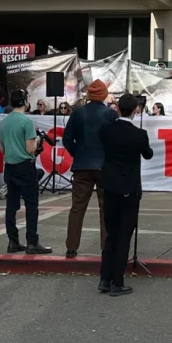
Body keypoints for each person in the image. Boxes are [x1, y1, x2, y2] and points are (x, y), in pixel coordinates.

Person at [98, 93, 154, 296]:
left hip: (110, 185)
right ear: (135, 110)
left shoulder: (106, 130)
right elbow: (148, 154)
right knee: (124, 234)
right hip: (129, 188)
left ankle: (105, 278)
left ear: (118, 109)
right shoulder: (139, 134)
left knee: (111, 233)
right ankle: (118, 282)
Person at [61, 79, 117, 258]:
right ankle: (106, 246)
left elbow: (67, 138)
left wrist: (77, 153)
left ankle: (71, 246)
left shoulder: (77, 113)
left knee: (77, 207)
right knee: (105, 208)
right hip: (103, 165)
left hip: (82, 164)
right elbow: (115, 141)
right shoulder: (110, 114)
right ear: (104, 95)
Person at [0, 89, 50, 254]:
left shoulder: (4, 122)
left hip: (10, 167)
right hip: (24, 166)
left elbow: (2, 148)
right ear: (23, 102)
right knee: (31, 205)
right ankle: (32, 242)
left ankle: (13, 240)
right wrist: (37, 141)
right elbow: (30, 149)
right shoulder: (26, 122)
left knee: (11, 205)